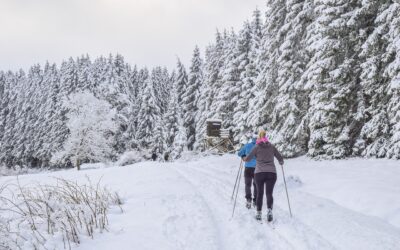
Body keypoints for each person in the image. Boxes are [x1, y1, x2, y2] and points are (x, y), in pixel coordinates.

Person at [244, 129, 284, 222]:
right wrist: (281, 162)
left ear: (259, 137)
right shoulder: (272, 147)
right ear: (266, 137)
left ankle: (259, 213)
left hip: (259, 173)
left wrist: (244, 158)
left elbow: (248, 158)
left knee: (260, 194)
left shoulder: (257, 147)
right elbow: (280, 158)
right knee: (269, 193)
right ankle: (269, 211)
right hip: (271, 173)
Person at [238, 132, 258, 209]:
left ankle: (248, 199)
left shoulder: (247, 145)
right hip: (257, 168)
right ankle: (255, 201)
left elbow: (239, 153)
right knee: (256, 185)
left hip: (248, 168)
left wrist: (243, 156)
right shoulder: (260, 146)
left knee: (247, 185)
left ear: (252, 138)